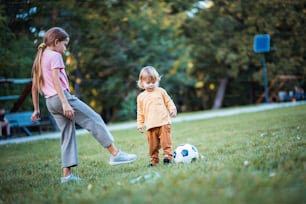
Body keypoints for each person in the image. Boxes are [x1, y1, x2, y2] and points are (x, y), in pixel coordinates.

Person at [31, 27, 137, 184]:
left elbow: (34, 85)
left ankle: (66, 176)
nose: (65, 49)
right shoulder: (55, 56)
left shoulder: (41, 57)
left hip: (49, 102)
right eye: (65, 45)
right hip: (61, 99)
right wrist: (65, 103)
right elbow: (55, 81)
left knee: (67, 134)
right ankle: (115, 154)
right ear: (56, 42)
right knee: (93, 118)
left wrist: (36, 109)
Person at [136, 66, 177, 166]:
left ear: (157, 81)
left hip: (164, 123)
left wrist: (172, 108)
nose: (151, 85)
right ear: (141, 82)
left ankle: (168, 157)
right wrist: (140, 124)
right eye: (148, 82)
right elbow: (140, 112)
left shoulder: (161, 91)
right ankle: (154, 160)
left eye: (153, 82)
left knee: (166, 143)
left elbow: (168, 101)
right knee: (153, 146)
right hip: (150, 126)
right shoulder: (141, 97)